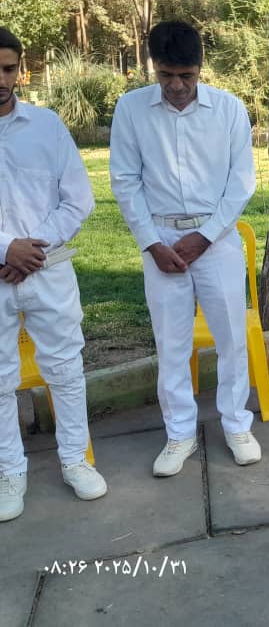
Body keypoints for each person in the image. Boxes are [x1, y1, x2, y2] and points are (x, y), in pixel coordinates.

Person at [110, 21, 259, 476]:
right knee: (171, 343)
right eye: (166, 75)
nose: (176, 86)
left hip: (217, 240)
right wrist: (151, 243)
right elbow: (125, 181)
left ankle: (236, 424)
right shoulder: (132, 109)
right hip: (161, 242)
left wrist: (206, 236)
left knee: (232, 338)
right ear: (153, 67)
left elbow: (241, 182)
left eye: (186, 76)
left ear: (200, 68)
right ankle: (179, 433)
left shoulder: (228, 109)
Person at [0, 27, 107, 522]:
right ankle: (9, 471)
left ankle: (75, 459)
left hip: (47, 269)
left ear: (20, 70)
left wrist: (30, 250)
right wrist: (7, 248)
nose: (1, 79)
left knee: (64, 369)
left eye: (8, 69)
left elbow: (77, 199)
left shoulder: (46, 126)